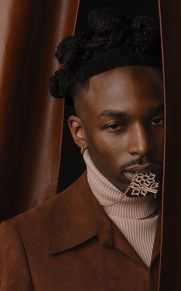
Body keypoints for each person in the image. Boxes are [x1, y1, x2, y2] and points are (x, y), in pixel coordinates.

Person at [0, 8, 164, 291]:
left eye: (157, 120)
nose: (143, 145)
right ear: (79, 133)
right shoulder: (24, 242)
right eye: (115, 126)